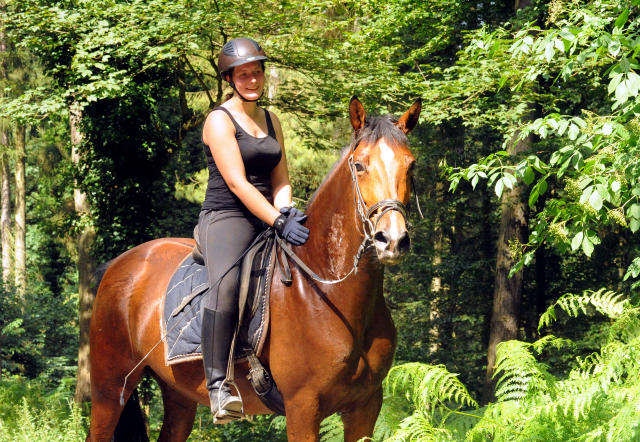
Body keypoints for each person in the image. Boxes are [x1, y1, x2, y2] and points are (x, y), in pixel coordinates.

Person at [198, 37, 309, 424]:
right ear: (230, 78)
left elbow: (280, 177)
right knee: (226, 285)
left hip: (268, 214)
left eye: (256, 72)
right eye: (243, 74)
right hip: (227, 216)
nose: (252, 79)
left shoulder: (271, 119)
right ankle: (218, 387)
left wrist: (286, 211)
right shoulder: (219, 120)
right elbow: (238, 183)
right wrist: (276, 221)